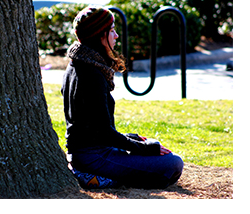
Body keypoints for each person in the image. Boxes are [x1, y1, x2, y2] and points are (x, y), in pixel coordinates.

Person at [59, 7, 183, 189]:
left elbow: (95, 128)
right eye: (112, 31)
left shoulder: (77, 64)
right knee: (173, 164)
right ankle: (97, 178)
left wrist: (135, 139)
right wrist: (146, 148)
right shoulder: (90, 74)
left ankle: (105, 176)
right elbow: (104, 133)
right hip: (93, 156)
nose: (116, 36)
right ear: (99, 35)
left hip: (90, 151)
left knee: (155, 148)